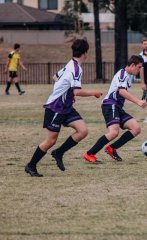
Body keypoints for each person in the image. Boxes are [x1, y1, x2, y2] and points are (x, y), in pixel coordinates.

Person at [25, 39, 102, 177]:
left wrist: (66, 91)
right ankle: (31, 166)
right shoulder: (76, 69)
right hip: (55, 107)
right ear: (85, 53)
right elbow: (77, 91)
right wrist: (93, 93)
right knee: (50, 141)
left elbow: (55, 76)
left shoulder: (70, 64)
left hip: (66, 107)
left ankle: (59, 152)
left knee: (83, 131)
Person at [83, 55, 146, 163]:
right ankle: (89, 154)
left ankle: (112, 148)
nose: (140, 70)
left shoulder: (128, 75)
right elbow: (121, 91)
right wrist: (138, 102)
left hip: (117, 107)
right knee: (114, 132)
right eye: (139, 67)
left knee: (136, 128)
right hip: (110, 104)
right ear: (132, 65)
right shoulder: (123, 74)